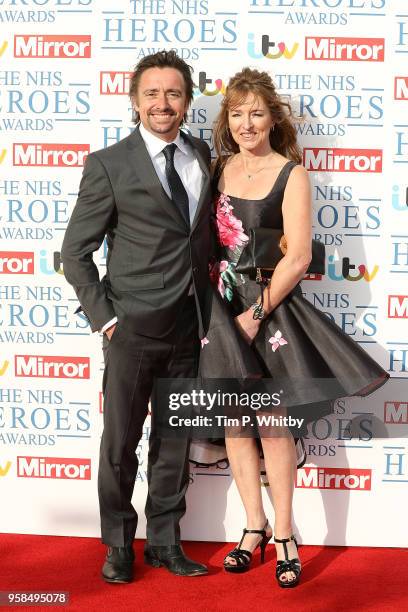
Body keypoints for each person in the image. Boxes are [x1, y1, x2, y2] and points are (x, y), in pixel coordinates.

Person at [199, 67, 389, 587]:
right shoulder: (216, 169)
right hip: (221, 307)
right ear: (227, 119)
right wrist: (223, 314)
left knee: (274, 427)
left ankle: (285, 535)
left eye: (256, 112)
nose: (246, 123)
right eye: (236, 114)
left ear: (272, 117)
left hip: (271, 310)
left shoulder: (292, 173)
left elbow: (299, 255)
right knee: (236, 424)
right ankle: (252, 528)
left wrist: (252, 316)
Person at [61, 50, 212, 583]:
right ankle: (119, 545)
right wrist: (106, 320)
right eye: (151, 93)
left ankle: (166, 543)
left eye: (173, 93)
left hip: (190, 328)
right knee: (120, 445)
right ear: (134, 101)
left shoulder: (202, 156)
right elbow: (74, 252)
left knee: (173, 443)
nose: (162, 103)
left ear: (187, 101)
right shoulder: (108, 164)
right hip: (131, 328)